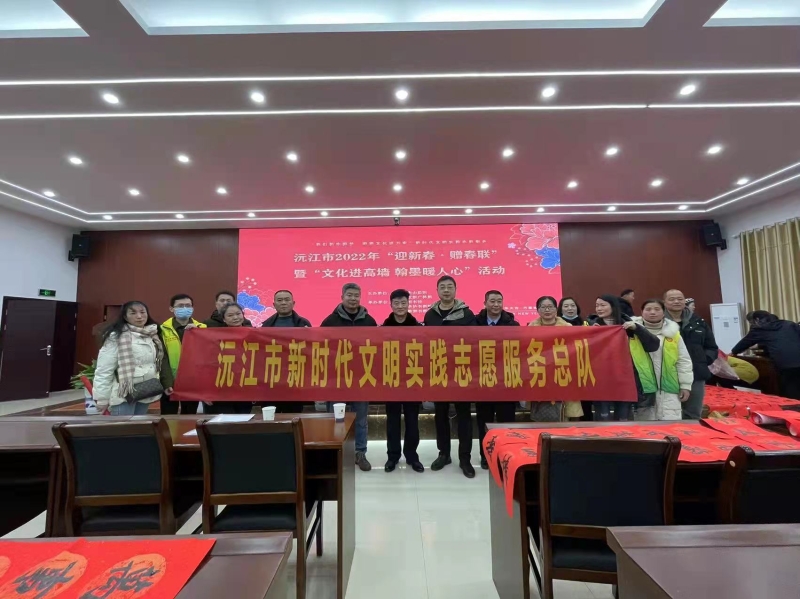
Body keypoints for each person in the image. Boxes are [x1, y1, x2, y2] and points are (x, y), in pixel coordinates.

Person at [424, 275, 478, 478]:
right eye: (442, 287)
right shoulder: (430, 315)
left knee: (464, 416)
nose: (446, 290)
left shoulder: (466, 314)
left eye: (449, 287)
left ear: (455, 290)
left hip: (461, 371)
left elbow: (475, 341)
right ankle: (444, 454)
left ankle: (465, 458)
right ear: (437, 290)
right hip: (439, 370)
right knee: (440, 414)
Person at [321, 283, 377, 472]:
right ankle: (336, 453)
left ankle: (360, 453)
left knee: (360, 419)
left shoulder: (369, 321)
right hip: (337, 379)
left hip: (361, 378)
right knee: (336, 418)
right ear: (342, 297)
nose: (353, 299)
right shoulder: (330, 321)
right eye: (349, 295)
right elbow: (322, 348)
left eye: (356, 295)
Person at [93, 301, 174, 416]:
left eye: (142, 312)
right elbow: (104, 369)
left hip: (145, 391)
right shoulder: (116, 336)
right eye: (133, 313)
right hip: (123, 394)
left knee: (139, 425)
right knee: (123, 426)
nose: (139, 316)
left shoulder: (151, 334)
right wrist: (102, 398)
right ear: (125, 317)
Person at [589, 294, 659, 421]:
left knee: (623, 419)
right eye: (597, 305)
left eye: (603, 305)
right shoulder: (591, 325)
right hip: (601, 380)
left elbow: (654, 345)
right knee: (603, 419)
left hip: (626, 379)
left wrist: (637, 328)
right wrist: (590, 334)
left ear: (613, 307)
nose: (599, 308)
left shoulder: (630, 325)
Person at [475, 290, 519, 469]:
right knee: (484, 422)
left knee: (506, 423)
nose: (496, 304)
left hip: (505, 383)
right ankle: (486, 456)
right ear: (485, 303)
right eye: (492, 301)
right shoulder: (474, 324)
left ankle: (506, 455)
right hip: (482, 382)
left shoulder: (513, 324)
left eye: (499, 301)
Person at [382, 289, 424, 473]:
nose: (400, 306)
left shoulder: (418, 328)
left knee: (412, 422)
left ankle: (412, 456)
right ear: (391, 305)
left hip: (413, 381)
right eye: (396, 303)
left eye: (403, 303)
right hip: (391, 381)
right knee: (392, 422)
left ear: (408, 304)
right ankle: (392, 456)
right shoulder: (383, 329)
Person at [632, 299, 693, 420]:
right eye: (648, 309)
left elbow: (683, 361)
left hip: (669, 388)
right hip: (642, 389)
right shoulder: (631, 333)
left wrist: (685, 385)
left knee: (670, 426)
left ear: (663, 312)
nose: (652, 312)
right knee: (644, 427)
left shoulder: (673, 334)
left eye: (657, 309)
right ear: (641, 312)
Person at [664, 289, 718, 419]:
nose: (676, 301)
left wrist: (703, 360)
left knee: (693, 413)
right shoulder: (658, 322)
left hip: (696, 373)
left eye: (680, 299)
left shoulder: (698, 322)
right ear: (664, 302)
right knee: (667, 414)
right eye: (672, 299)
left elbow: (711, 347)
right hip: (667, 374)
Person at [529, 296, 583, 421]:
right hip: (540, 374)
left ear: (555, 309)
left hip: (563, 372)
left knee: (564, 413)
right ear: (538, 310)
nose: (547, 310)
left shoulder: (568, 327)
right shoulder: (530, 329)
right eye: (543, 307)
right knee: (541, 414)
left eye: (550, 307)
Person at [261, 289, 311, 414]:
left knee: (293, 416)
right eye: (280, 300)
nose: (283, 303)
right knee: (271, 416)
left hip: (295, 377)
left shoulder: (303, 324)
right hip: (272, 378)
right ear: (274, 304)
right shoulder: (266, 325)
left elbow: (311, 350)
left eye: (287, 300)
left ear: (293, 303)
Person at [731, 310, 800, 400]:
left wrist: (733, 352)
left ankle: (793, 406)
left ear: (757, 319)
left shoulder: (760, 329)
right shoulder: (789, 324)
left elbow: (744, 343)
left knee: (789, 389)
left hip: (785, 363)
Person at [160, 293, 206, 415]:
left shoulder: (203, 328)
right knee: (168, 417)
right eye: (180, 306)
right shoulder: (162, 330)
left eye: (188, 305)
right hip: (170, 380)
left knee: (189, 416)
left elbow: (206, 355)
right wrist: (167, 382)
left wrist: (198, 333)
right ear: (171, 309)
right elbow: (162, 358)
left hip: (192, 381)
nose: (185, 308)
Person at [205, 303, 253, 415]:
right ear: (224, 319)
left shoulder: (254, 335)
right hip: (222, 389)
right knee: (226, 421)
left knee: (243, 420)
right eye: (230, 315)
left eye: (238, 314)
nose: (235, 317)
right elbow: (208, 366)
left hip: (245, 388)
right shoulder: (215, 337)